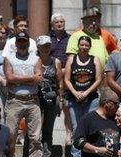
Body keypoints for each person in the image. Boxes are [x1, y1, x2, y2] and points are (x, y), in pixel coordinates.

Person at [3, 32, 43, 157]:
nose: (22, 44)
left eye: (24, 41)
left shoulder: (36, 59)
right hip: (14, 100)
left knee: (35, 136)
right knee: (10, 135)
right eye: (19, 41)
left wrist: (19, 80)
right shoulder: (9, 58)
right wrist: (30, 78)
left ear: (28, 43)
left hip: (32, 100)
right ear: (16, 43)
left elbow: (38, 79)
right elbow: (9, 78)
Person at [64, 35, 102, 157]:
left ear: (89, 47)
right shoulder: (71, 59)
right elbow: (67, 79)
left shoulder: (95, 60)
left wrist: (86, 93)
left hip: (91, 99)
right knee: (76, 128)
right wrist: (75, 92)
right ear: (78, 46)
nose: (84, 47)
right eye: (82, 45)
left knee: (91, 128)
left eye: (86, 45)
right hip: (74, 99)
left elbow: (98, 80)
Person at [37, 35, 63, 157]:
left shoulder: (56, 61)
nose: (46, 48)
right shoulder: (34, 60)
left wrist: (61, 100)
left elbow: (60, 82)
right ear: (38, 47)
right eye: (43, 45)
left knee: (48, 130)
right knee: (34, 131)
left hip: (52, 98)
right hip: (36, 98)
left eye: (48, 45)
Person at [48, 13, 72, 146]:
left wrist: (63, 71)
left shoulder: (70, 39)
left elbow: (72, 57)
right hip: (50, 80)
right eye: (56, 22)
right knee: (50, 109)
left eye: (62, 22)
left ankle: (68, 136)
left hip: (66, 78)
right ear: (52, 24)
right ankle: (48, 137)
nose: (59, 24)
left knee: (67, 108)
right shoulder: (47, 38)